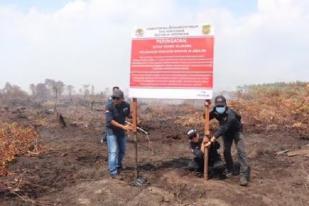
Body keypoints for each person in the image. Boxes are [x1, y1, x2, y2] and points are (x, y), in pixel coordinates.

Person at [205, 95, 251, 186]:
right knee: (226, 151)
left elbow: (223, 128)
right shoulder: (215, 111)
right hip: (226, 133)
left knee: (241, 152)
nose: (220, 108)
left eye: (221, 106)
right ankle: (230, 169)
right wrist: (207, 106)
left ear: (225, 105)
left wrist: (212, 139)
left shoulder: (231, 114)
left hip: (236, 131)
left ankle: (244, 175)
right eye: (218, 106)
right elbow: (205, 117)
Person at [105, 89, 133, 178]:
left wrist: (135, 119)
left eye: (117, 98)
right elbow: (110, 121)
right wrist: (123, 126)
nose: (115, 100)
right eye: (113, 98)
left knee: (122, 150)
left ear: (122, 99)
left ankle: (118, 165)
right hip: (111, 131)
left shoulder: (126, 105)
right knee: (113, 151)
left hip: (121, 131)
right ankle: (113, 171)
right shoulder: (109, 106)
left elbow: (128, 115)